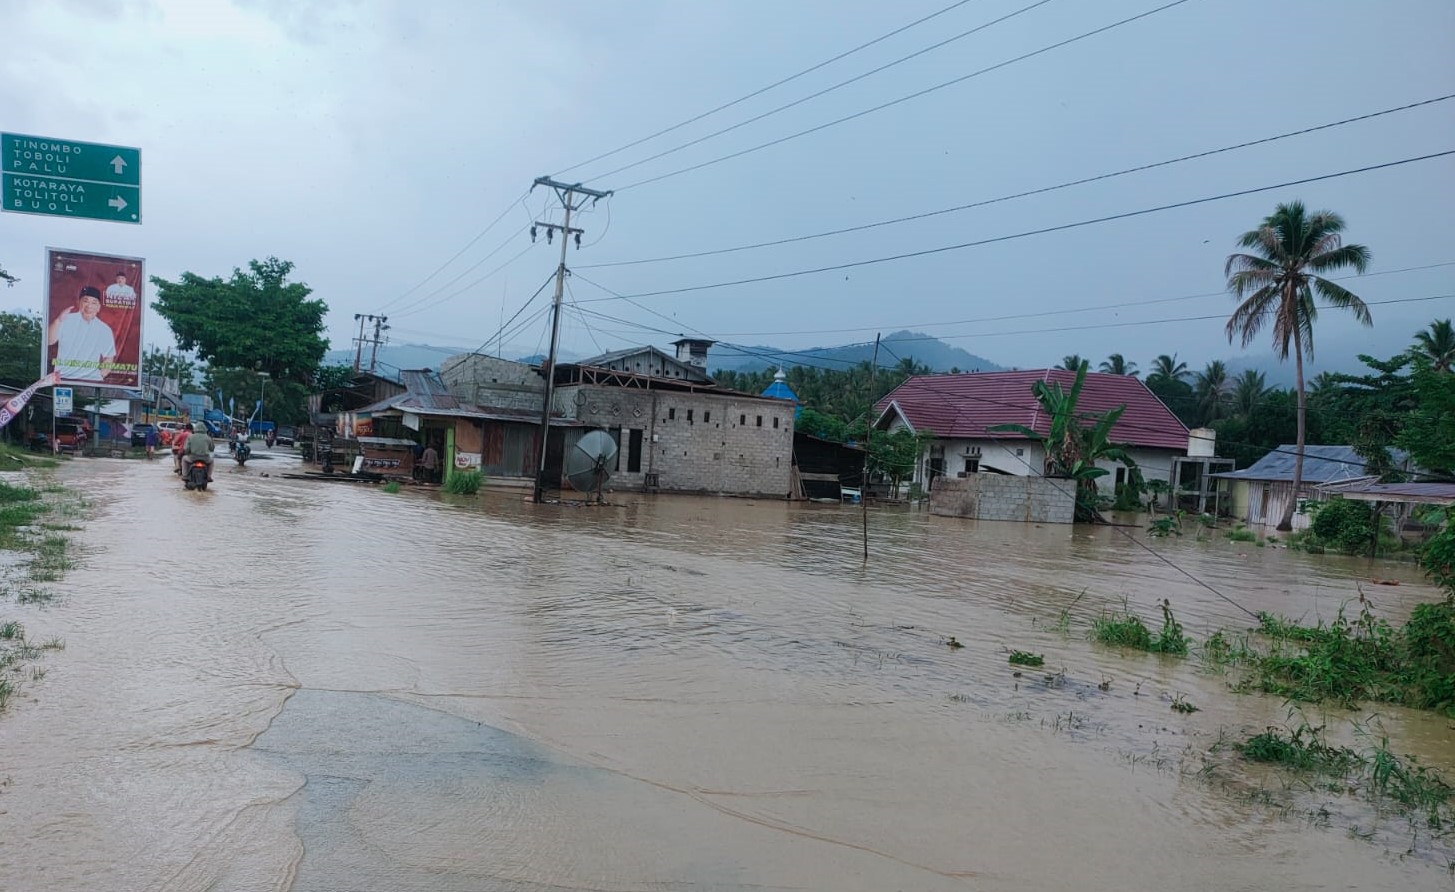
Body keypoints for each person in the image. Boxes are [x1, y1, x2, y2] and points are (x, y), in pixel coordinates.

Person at [47, 287, 116, 382]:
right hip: (63, 377)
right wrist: (58, 321)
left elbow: (109, 357)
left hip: (90, 380)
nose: (89, 306)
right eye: (85, 301)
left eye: (94, 302)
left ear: (99, 307)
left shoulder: (105, 330)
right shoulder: (66, 320)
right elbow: (49, 341)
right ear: (79, 303)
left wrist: (100, 375)